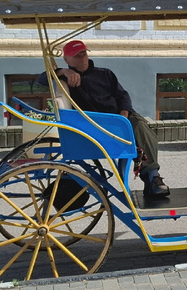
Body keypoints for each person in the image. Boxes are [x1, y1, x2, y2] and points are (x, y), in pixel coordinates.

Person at [37, 40, 169, 202]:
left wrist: (123, 116)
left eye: (84, 54)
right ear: (67, 60)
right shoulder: (67, 78)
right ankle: (153, 178)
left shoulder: (105, 73)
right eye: (77, 56)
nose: (83, 59)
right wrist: (62, 72)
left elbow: (122, 96)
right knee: (141, 129)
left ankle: (151, 175)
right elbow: (42, 79)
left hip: (121, 117)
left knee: (142, 128)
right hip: (98, 125)